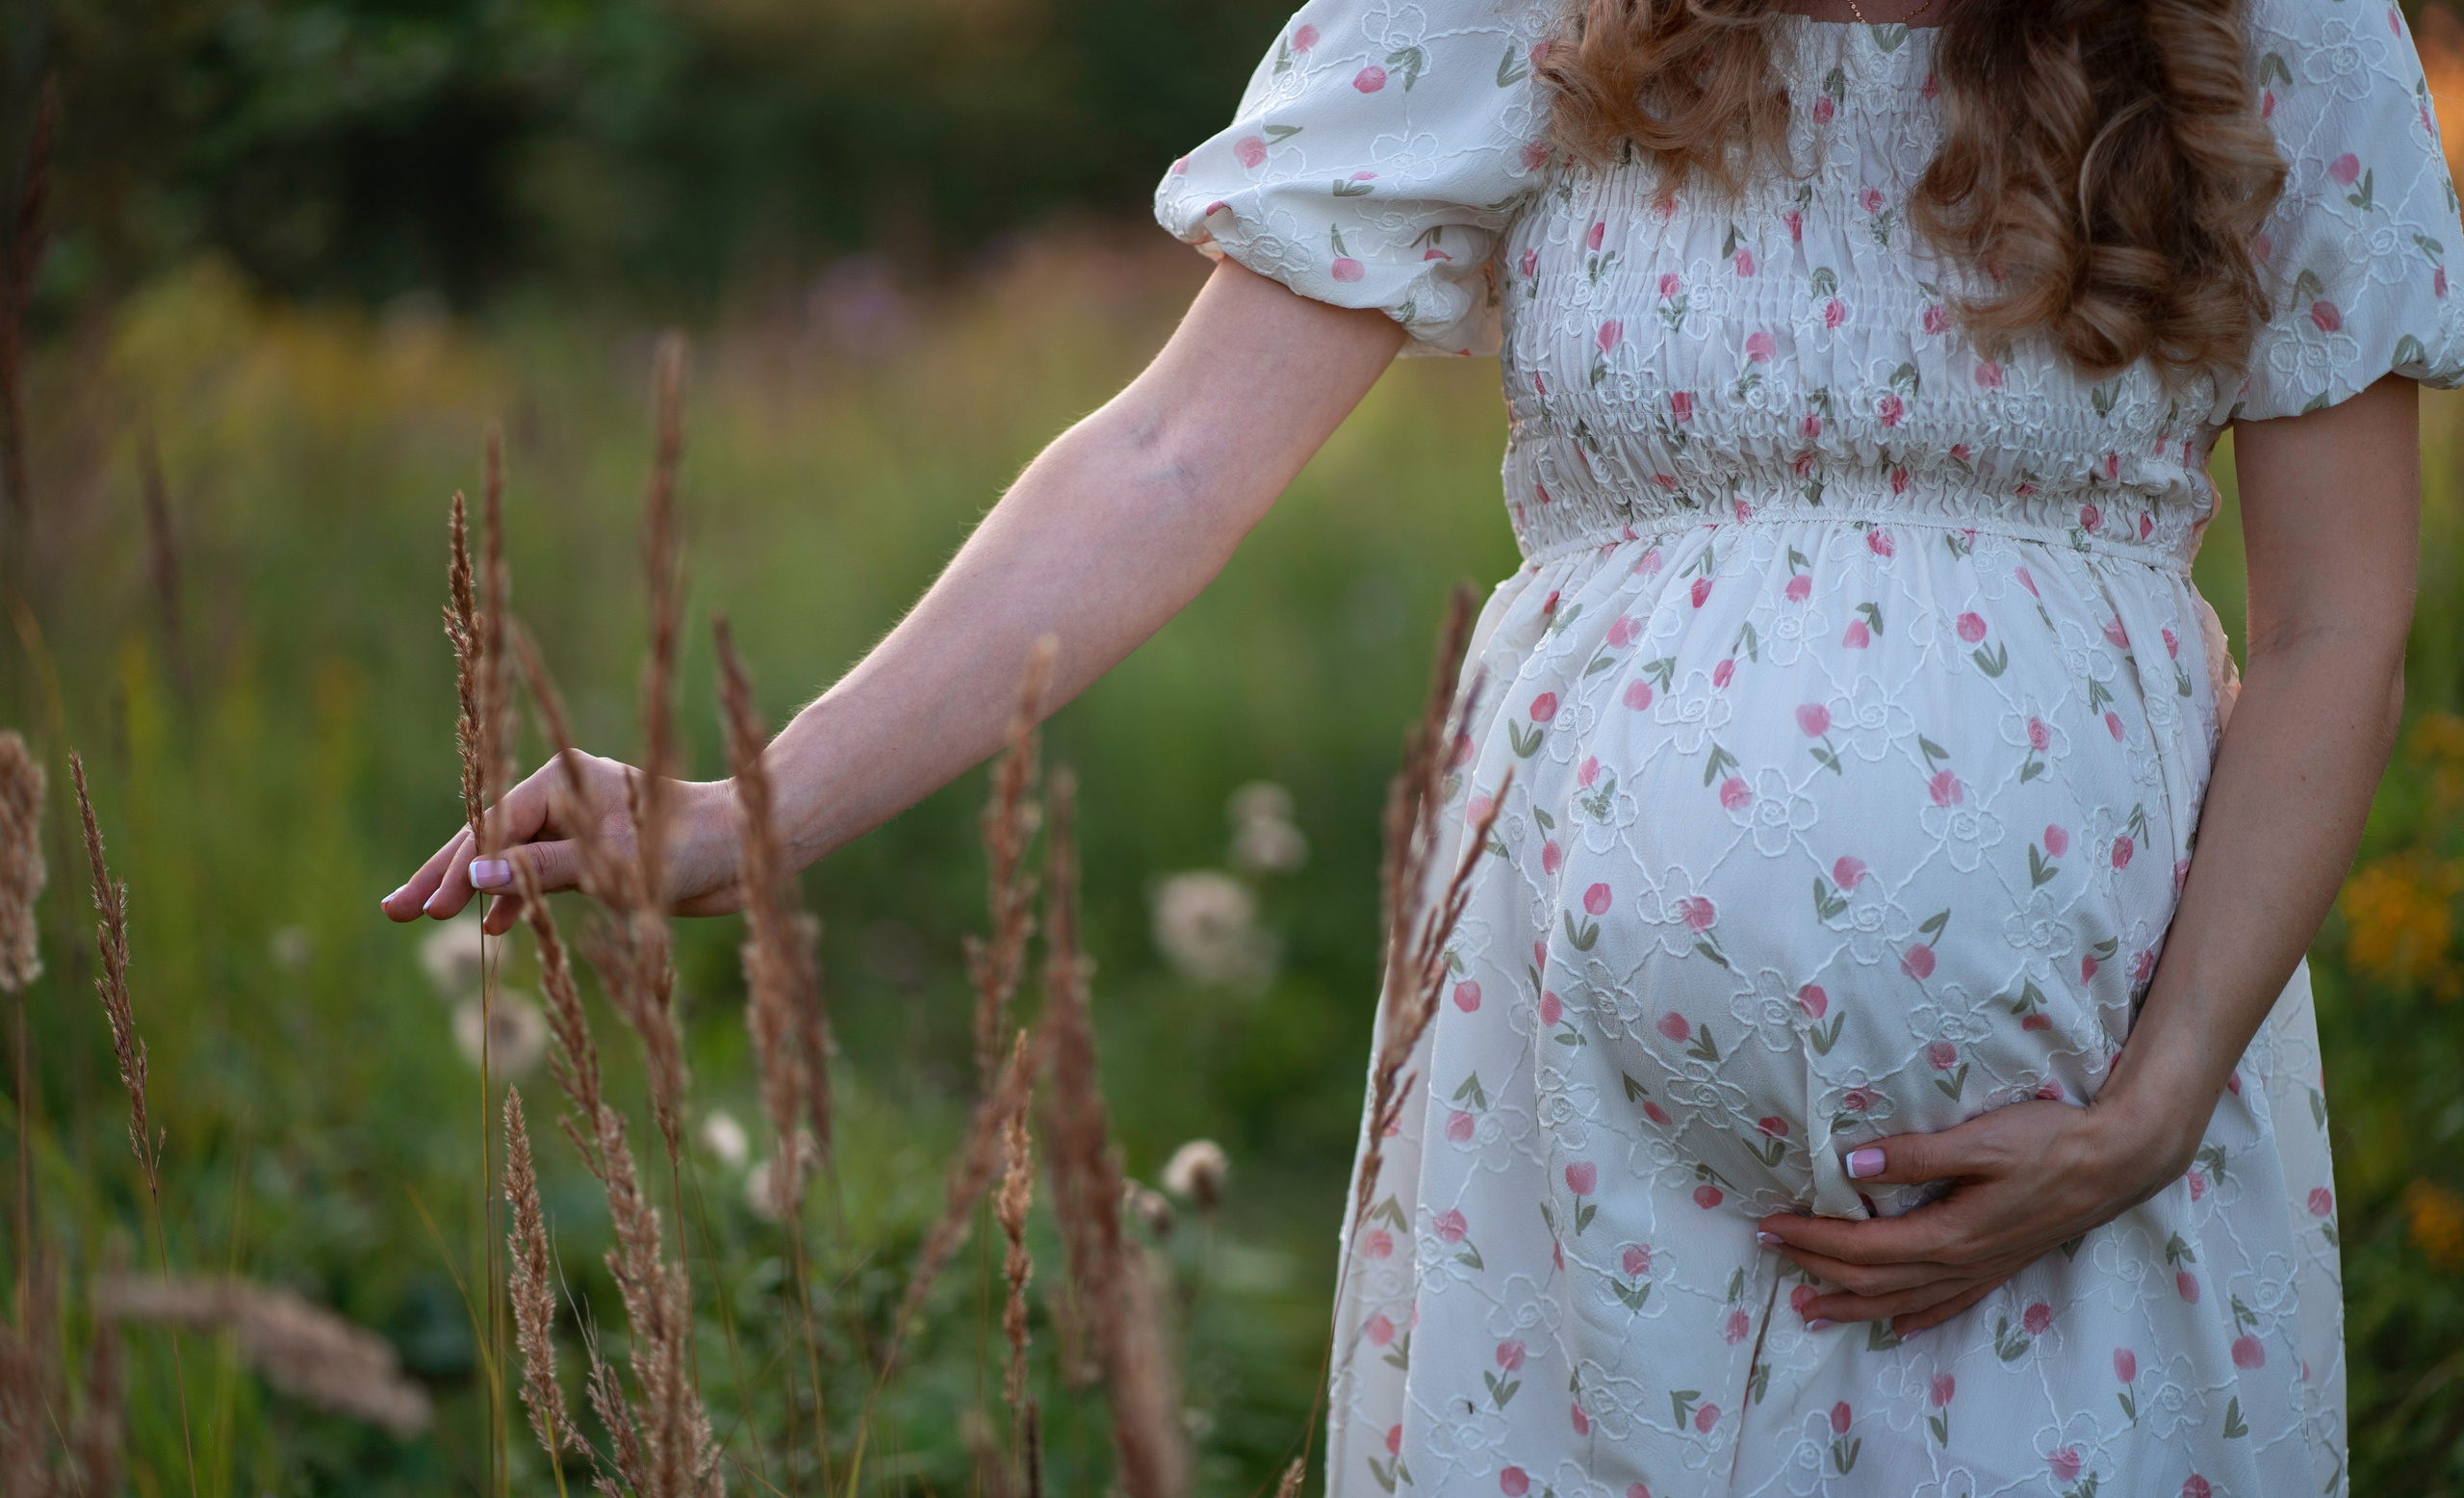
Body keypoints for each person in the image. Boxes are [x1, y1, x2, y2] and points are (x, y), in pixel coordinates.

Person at [388, 0, 2462, 1485]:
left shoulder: (2269, 38)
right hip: (1562, 1147)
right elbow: (1168, 459)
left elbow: (2335, 626)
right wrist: (744, 815)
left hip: (2097, 1157)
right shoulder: (1524, 14)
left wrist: (2158, 1094)